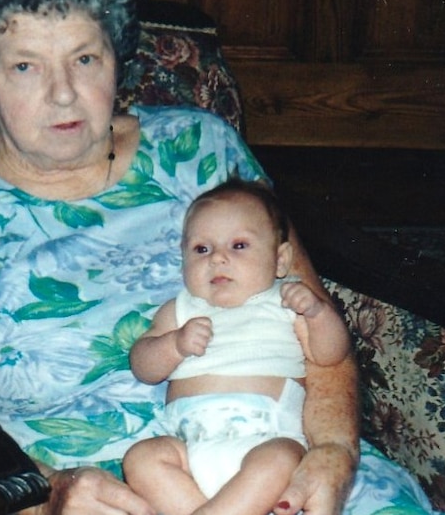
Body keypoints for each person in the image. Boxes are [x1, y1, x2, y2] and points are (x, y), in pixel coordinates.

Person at [0, 0, 445, 514]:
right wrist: (47, 499)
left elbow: (315, 331)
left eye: (85, 59)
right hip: (92, 495)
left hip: (273, 460)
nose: (63, 93)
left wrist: (333, 456)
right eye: (25, 66)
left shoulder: (199, 151)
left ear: (117, 58)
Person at [123, 179, 351, 515]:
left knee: (282, 459)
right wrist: (174, 344)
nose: (217, 259)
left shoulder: (286, 299)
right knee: (141, 459)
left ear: (280, 260)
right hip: (191, 449)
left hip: (265, 439)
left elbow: (330, 354)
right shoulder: (181, 309)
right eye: (202, 249)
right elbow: (142, 367)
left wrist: (317, 313)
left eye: (239, 245)